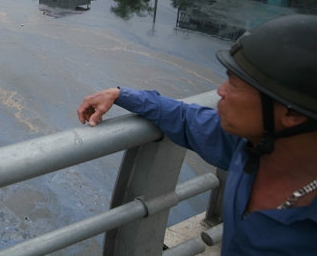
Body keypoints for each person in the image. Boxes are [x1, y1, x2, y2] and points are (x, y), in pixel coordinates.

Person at [77, 14, 317, 255]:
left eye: (234, 84)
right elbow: (184, 118)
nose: (220, 92)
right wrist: (121, 95)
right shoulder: (245, 147)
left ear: (291, 113)